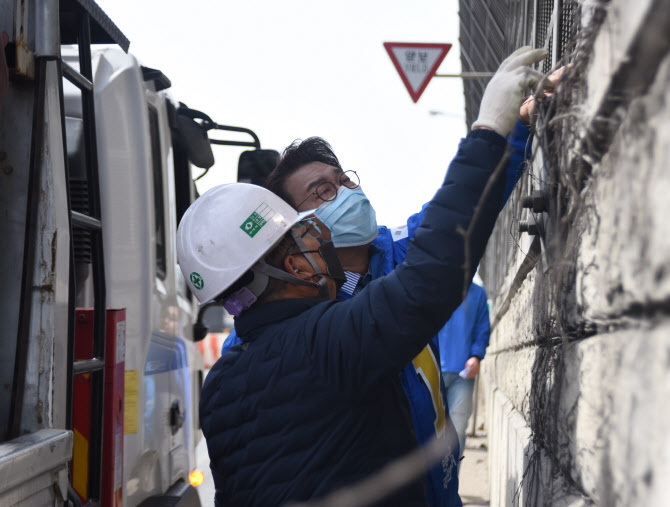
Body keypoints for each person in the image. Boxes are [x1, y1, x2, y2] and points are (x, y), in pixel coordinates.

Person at [183, 46, 548, 506]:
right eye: (320, 195)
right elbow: (433, 270)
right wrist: (489, 131)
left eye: (344, 181)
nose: (344, 196)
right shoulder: (324, 339)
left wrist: (517, 130)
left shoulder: (221, 383)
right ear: (288, 258)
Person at [438, 278, 490, 469]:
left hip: (463, 374)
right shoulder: (435, 286)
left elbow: (482, 330)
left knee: (457, 430)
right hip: (432, 372)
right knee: (430, 432)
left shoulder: (478, 294)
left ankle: (450, 486)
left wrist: (476, 355)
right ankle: (430, 490)